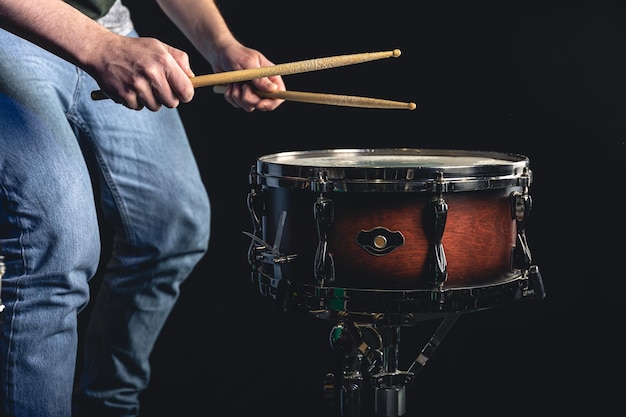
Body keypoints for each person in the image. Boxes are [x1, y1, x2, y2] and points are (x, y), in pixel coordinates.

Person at [0, 0, 285, 416]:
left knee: (173, 225)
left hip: (105, 22)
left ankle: (107, 406)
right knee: (56, 248)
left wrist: (221, 44)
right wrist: (100, 47)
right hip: (11, 28)